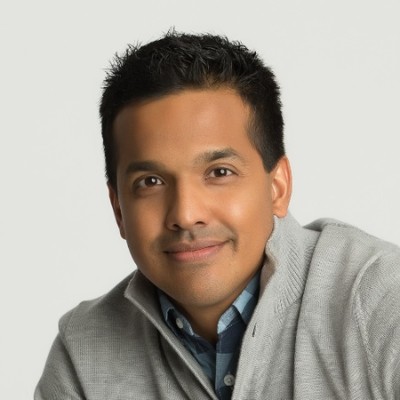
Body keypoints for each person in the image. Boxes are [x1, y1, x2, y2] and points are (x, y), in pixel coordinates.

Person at [35, 31, 400, 400]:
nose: (185, 214)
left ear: (278, 186)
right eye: (151, 182)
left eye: (219, 172)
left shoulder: (380, 300)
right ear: (118, 209)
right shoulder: (83, 356)